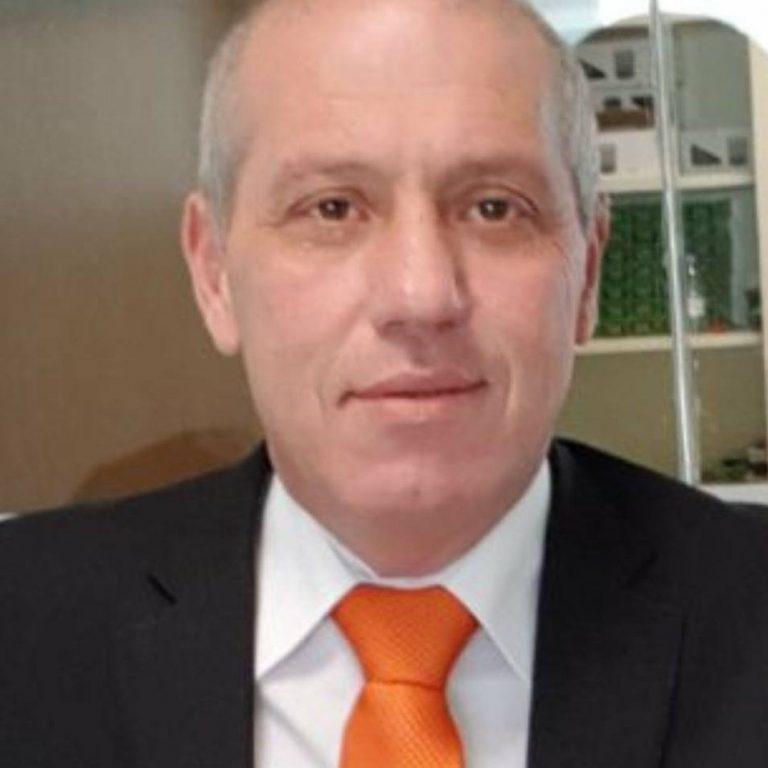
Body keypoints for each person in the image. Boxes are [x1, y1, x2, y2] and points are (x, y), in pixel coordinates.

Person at [2, 0, 768, 766]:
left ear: (589, 270)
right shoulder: (22, 622)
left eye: (494, 208)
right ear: (213, 275)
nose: (420, 295)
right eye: (332, 208)